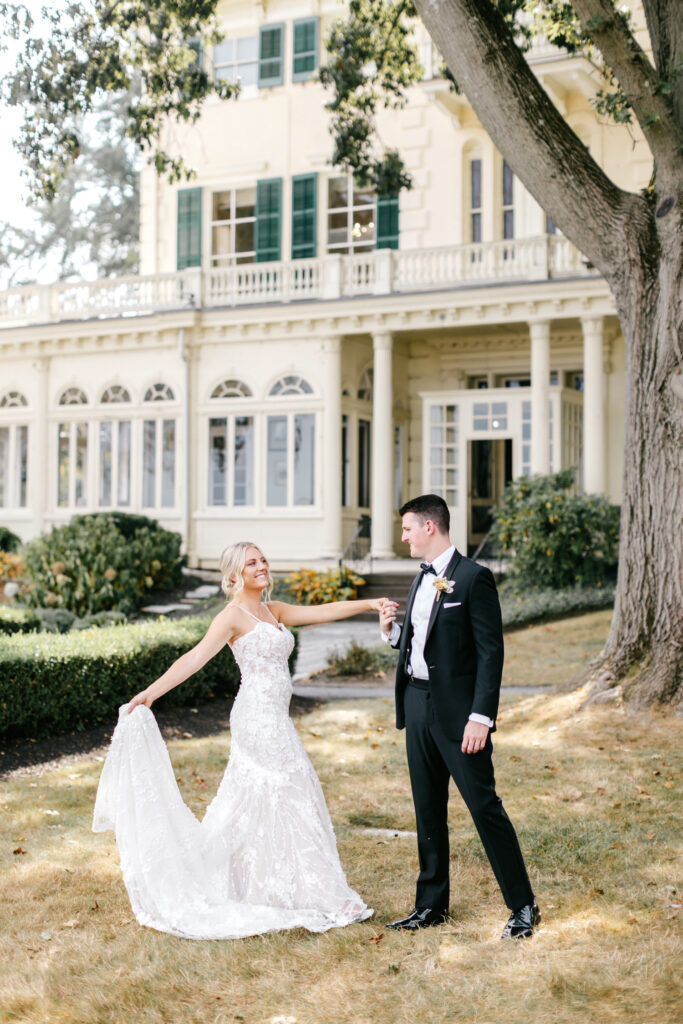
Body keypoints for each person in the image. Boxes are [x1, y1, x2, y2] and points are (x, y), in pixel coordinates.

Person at [93, 541, 392, 940]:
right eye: (252, 563)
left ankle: (272, 883)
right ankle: (312, 891)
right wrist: (150, 694)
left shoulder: (275, 610)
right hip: (255, 718)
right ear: (234, 574)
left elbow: (322, 613)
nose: (262, 566)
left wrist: (369, 604)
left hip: (275, 718)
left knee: (269, 798)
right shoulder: (231, 617)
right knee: (290, 791)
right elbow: (194, 659)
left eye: (264, 560)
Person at [379, 494, 540, 938]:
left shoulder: (473, 579)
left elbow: (491, 655)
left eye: (408, 528)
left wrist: (480, 718)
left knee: (484, 807)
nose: (404, 536)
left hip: (459, 717)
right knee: (427, 810)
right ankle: (431, 907)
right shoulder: (421, 578)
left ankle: (523, 906)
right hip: (416, 706)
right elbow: (423, 642)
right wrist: (392, 633)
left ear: (430, 527)